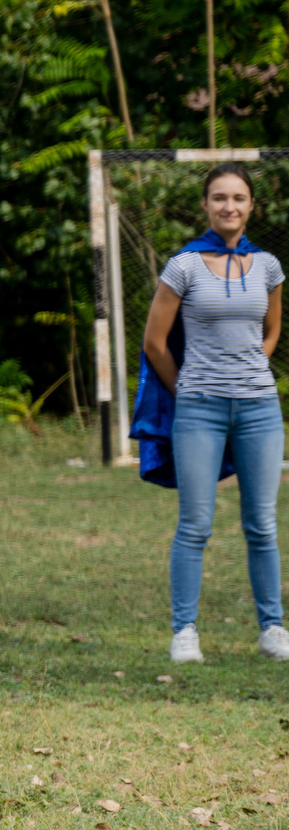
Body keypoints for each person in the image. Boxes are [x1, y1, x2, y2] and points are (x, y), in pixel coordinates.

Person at [138, 165, 287, 665]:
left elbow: (271, 331)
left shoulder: (267, 265)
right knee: (195, 524)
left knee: (262, 525)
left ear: (250, 206)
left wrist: (250, 369)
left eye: (239, 198)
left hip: (261, 411)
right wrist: (188, 387)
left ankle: (272, 628)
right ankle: (185, 633)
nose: (230, 206)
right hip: (198, 410)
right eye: (220, 198)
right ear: (205, 205)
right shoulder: (183, 266)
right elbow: (154, 343)